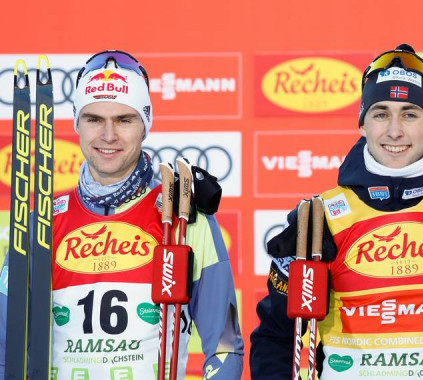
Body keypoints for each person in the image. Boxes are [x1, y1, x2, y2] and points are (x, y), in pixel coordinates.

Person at [0, 50, 244, 379]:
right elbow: (6, 345)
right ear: (77, 124)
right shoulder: (42, 220)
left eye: (124, 120)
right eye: (94, 119)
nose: (109, 135)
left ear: (145, 125)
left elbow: (224, 345)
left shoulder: (185, 216)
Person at [250, 44, 423, 380]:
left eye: (410, 114)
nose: (394, 131)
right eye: (381, 114)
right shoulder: (319, 219)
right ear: (363, 125)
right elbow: (277, 337)